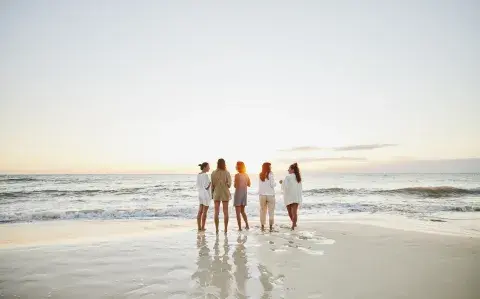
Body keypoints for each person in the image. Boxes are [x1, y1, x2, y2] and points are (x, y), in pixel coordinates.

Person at [211, 158, 232, 233]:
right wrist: (225, 183)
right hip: (225, 193)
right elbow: (229, 185)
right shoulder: (227, 173)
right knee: (225, 212)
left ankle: (217, 229)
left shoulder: (213, 173)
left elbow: (212, 185)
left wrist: (212, 194)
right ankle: (225, 229)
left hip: (216, 193)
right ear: (224, 164)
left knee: (216, 212)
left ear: (217, 164)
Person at [280, 162, 302, 230]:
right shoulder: (298, 178)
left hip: (289, 197)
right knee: (294, 212)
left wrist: (281, 182)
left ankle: (293, 225)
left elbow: (285, 187)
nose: (288, 170)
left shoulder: (288, 177)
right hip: (296, 197)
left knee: (290, 213)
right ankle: (294, 225)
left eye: (289, 169)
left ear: (292, 170)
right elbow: (299, 188)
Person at [258, 162, 276, 231]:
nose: (271, 167)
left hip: (262, 195)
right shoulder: (271, 174)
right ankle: (270, 226)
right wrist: (275, 183)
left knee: (262, 211)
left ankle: (262, 226)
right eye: (270, 166)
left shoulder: (260, 174)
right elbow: (272, 185)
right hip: (270, 195)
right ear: (268, 167)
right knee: (271, 211)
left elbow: (260, 185)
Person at [233, 161, 251, 231]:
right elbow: (249, 184)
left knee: (238, 213)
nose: (236, 166)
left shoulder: (237, 175)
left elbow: (235, 186)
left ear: (238, 167)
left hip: (238, 195)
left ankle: (240, 228)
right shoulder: (246, 175)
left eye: (236, 165)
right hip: (244, 194)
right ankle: (247, 225)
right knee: (243, 211)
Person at [196, 162, 211, 231]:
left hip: (200, 194)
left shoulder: (198, 175)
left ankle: (199, 227)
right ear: (205, 167)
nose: (209, 168)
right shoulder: (205, 175)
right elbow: (207, 187)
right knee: (204, 212)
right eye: (208, 166)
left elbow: (198, 185)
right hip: (205, 195)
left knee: (200, 211)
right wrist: (211, 183)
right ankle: (203, 227)